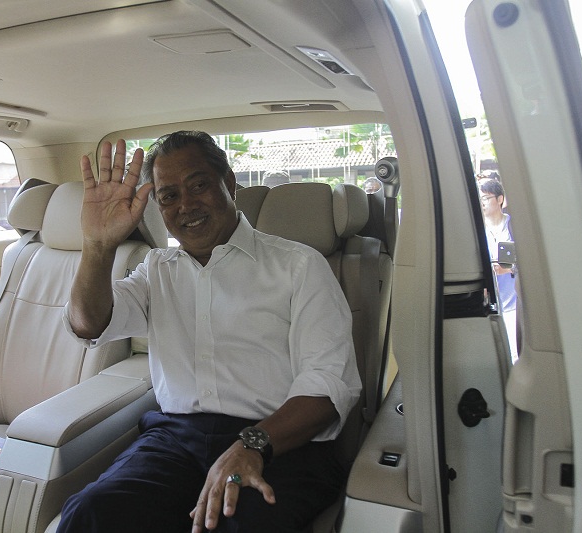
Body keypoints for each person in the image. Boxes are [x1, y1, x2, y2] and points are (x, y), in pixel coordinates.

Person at [58, 131, 361, 533]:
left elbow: (328, 386)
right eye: (168, 196)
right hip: (175, 441)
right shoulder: (157, 269)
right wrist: (97, 245)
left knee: (237, 525)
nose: (186, 205)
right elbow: (89, 323)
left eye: (199, 185)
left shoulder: (299, 266)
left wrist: (252, 445)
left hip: (281, 443)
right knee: (91, 512)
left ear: (229, 183)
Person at [479, 178, 518, 362]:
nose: (483, 202)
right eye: (481, 199)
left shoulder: (514, 227)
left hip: (514, 305)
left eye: (486, 198)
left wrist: (509, 269)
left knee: (513, 354)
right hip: (488, 305)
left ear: (500, 199)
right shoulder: (477, 230)